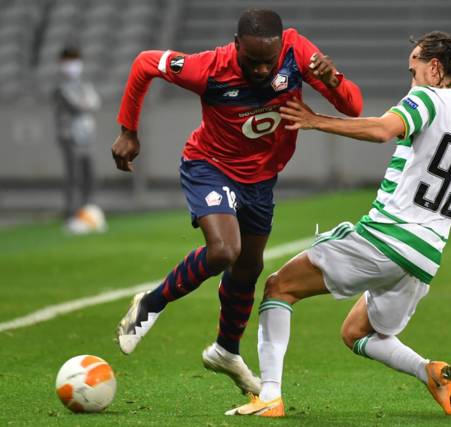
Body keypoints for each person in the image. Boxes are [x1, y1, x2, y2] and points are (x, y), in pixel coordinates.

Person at [228, 31, 451, 417]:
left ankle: (270, 395)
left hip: (387, 237)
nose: (412, 81)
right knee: (356, 333)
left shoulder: (428, 98)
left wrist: (316, 120)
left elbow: (381, 130)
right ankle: (429, 373)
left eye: (413, 72)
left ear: (435, 68)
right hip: (424, 258)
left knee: (279, 287)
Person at [111, 9, 363, 395]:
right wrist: (128, 130)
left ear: (281, 48)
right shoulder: (208, 68)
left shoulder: (298, 53)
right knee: (224, 251)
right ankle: (150, 304)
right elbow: (146, 63)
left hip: (260, 180)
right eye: (252, 61)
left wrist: (333, 81)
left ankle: (226, 350)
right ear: (236, 45)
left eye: (268, 62)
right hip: (210, 166)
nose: (261, 71)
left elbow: (353, 107)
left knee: (248, 268)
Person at [53, 46, 101, 220]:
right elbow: (75, 105)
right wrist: (84, 103)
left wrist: (84, 103)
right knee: (74, 175)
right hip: (70, 136)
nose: (72, 65)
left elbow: (95, 103)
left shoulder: (85, 85)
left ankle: (88, 209)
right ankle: (71, 211)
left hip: (87, 135)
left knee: (89, 174)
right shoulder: (60, 88)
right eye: (68, 60)